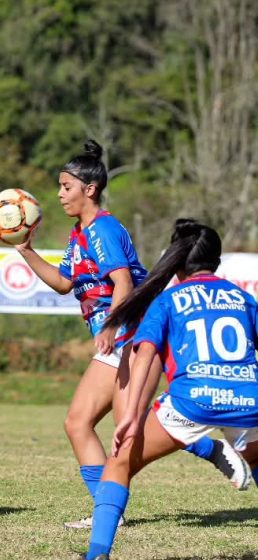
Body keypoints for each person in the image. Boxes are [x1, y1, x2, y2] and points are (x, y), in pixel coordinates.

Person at [14, 141, 247, 530]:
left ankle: (205, 448)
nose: (58, 194)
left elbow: (122, 282)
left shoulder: (103, 229)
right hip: (119, 335)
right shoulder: (79, 233)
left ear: (90, 189)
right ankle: (112, 507)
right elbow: (62, 282)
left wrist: (110, 326)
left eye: (66, 186)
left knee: (125, 432)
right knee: (79, 423)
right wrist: (25, 251)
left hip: (130, 334)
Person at [83, 219, 258, 560]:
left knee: (118, 462)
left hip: (193, 401)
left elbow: (145, 355)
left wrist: (132, 416)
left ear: (176, 263)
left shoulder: (167, 301)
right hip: (247, 399)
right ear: (217, 262)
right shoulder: (243, 298)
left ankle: (97, 554)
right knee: (256, 458)